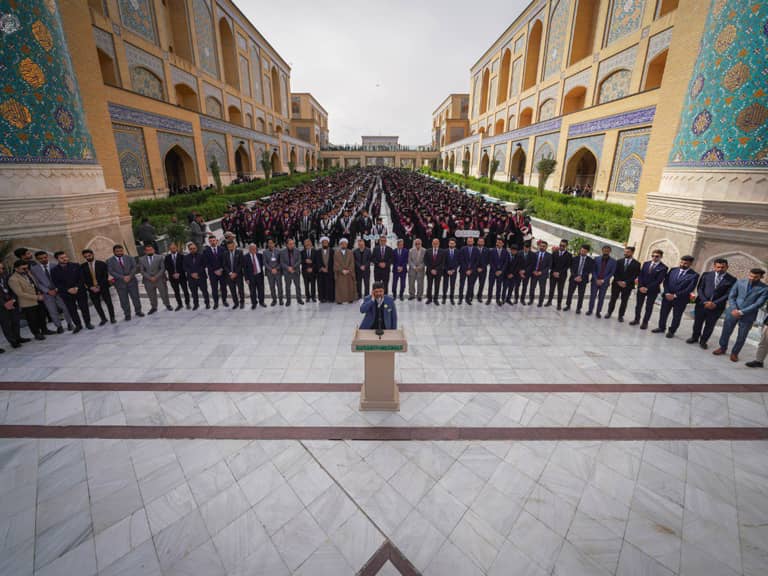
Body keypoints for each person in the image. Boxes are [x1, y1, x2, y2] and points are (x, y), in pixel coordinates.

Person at [713, 268, 768, 362]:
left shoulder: (764, 288)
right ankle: (722, 347)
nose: (752, 278)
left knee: (742, 336)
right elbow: (732, 296)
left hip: (748, 315)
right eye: (750, 275)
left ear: (761, 277)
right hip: (732, 311)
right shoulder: (740, 282)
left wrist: (742, 312)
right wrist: (734, 309)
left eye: (755, 277)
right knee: (726, 331)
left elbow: (758, 303)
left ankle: (735, 353)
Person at [686, 258, 736, 349]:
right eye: (718, 267)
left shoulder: (732, 279)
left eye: (722, 267)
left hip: (717, 307)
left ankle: (703, 341)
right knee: (698, 322)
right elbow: (700, 288)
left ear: (727, 267)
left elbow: (728, 294)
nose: (720, 269)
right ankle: (694, 337)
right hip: (702, 304)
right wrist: (705, 301)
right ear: (714, 267)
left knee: (710, 325)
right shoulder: (706, 275)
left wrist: (714, 303)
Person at [652, 255, 699, 338]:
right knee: (663, 313)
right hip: (667, 296)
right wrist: (666, 293)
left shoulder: (694, 275)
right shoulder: (673, 270)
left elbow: (689, 288)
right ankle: (661, 327)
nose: (682, 264)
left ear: (690, 264)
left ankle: (671, 331)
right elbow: (666, 282)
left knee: (676, 316)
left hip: (680, 299)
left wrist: (675, 295)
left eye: (685, 263)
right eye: (681, 262)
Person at [31, 250, 72, 333]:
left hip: (59, 291)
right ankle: (59, 326)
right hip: (47, 294)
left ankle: (70, 324)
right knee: (52, 311)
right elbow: (37, 282)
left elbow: (61, 279)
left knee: (65, 308)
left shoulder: (55, 265)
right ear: (37, 259)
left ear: (47, 257)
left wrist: (57, 288)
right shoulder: (34, 269)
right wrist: (47, 291)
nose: (44, 259)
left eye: (45, 257)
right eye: (41, 258)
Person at [51, 251, 93, 332]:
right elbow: (57, 283)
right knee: (72, 310)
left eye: (65, 257)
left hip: (79, 290)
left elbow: (81, 278)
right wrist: (68, 289)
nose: (65, 259)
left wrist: (76, 287)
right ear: (57, 259)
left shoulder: (76, 265)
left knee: (84, 307)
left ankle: (88, 323)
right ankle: (78, 325)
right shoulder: (54, 270)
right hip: (66, 293)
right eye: (62, 258)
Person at [8, 260, 47, 340]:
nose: (26, 270)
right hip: (28, 303)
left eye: (27, 268)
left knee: (42, 316)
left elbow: (34, 284)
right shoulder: (13, 279)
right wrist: (36, 297)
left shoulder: (28, 273)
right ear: (16, 269)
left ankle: (45, 330)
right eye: (23, 269)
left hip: (38, 299)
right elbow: (20, 293)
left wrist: (39, 292)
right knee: (32, 319)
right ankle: (36, 334)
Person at [630, 249, 667, 329]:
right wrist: (640, 286)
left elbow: (658, 280)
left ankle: (645, 322)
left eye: (657, 256)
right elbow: (641, 275)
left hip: (652, 290)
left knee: (649, 307)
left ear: (661, 257)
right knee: (638, 305)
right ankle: (636, 319)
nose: (654, 258)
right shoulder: (646, 264)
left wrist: (647, 288)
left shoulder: (663, 268)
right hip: (641, 288)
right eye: (653, 256)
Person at [107, 245, 143, 321]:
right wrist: (123, 277)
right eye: (117, 251)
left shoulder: (130, 258)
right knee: (123, 300)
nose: (119, 252)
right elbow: (111, 271)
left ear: (123, 250)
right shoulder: (109, 261)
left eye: (121, 251)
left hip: (132, 281)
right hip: (120, 283)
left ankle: (138, 311)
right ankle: (127, 314)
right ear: (114, 252)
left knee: (135, 297)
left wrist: (129, 276)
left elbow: (134, 267)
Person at [605, 246, 641, 322]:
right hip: (616, 284)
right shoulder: (619, 261)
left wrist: (625, 282)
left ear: (632, 253)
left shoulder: (637, 264)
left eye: (627, 252)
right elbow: (615, 272)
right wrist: (618, 281)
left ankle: (621, 316)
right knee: (613, 299)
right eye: (625, 252)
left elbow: (635, 275)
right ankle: (609, 312)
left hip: (628, 286)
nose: (625, 253)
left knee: (624, 301)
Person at [81, 249, 116, 325]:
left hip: (103, 287)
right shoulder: (82, 266)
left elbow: (105, 276)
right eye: (86, 257)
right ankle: (103, 319)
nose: (88, 257)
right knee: (97, 305)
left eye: (89, 256)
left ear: (93, 254)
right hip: (92, 289)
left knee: (109, 303)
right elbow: (83, 279)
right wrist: (91, 287)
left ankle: (112, 318)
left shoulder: (101, 264)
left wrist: (99, 286)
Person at [138, 244, 172, 314]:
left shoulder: (160, 257)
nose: (149, 251)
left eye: (151, 249)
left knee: (164, 293)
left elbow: (163, 268)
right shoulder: (141, 259)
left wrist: (156, 277)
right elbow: (142, 271)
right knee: (151, 295)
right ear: (145, 251)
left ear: (153, 250)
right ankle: (154, 307)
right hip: (148, 280)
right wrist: (150, 277)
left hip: (160, 279)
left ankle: (167, 304)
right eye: (147, 250)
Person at [0, 261, 26, 351]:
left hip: (12, 302)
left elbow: (13, 289)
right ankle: (12, 341)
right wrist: (4, 304)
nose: (1, 270)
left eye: (2, 268)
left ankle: (18, 337)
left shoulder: (6, 276)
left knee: (15, 321)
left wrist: (13, 300)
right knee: (6, 324)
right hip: (2, 306)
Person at [564, 244, 595, 313]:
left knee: (581, 294)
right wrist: (575, 276)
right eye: (581, 251)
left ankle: (578, 308)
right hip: (573, 279)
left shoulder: (590, 261)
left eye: (584, 251)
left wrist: (581, 277)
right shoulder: (575, 258)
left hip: (583, 280)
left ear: (587, 252)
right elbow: (572, 268)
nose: (582, 252)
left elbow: (589, 271)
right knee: (570, 293)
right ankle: (568, 305)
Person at [587, 246, 616, 317]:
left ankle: (598, 312)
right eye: (604, 250)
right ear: (602, 251)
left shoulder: (613, 261)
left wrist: (603, 280)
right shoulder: (596, 259)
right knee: (592, 297)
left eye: (607, 251)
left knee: (601, 298)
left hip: (604, 283)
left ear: (610, 251)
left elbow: (612, 273)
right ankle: (590, 310)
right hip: (595, 281)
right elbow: (593, 270)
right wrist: (596, 279)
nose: (606, 252)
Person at [204, 236, 229, 309]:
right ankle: (216, 303)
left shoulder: (222, 249)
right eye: (211, 241)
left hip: (222, 272)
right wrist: (215, 271)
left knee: (223, 288)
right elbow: (207, 263)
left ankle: (224, 300)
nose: (212, 242)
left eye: (214, 240)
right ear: (209, 242)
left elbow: (225, 261)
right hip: (213, 273)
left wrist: (221, 269)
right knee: (214, 289)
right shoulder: (206, 251)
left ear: (216, 241)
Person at [183, 242, 210, 310]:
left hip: (201, 277)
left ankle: (207, 304)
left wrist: (197, 273)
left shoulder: (201, 256)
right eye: (191, 249)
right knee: (194, 293)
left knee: (204, 291)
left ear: (196, 248)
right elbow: (185, 267)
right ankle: (196, 304)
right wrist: (192, 274)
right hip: (191, 278)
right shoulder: (186, 257)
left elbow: (204, 265)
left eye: (194, 248)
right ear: (189, 249)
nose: (193, 249)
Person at [546, 240, 571, 310]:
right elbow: (551, 263)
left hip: (562, 275)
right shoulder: (554, 253)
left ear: (566, 246)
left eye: (563, 246)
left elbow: (567, 266)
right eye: (560, 245)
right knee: (551, 289)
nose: (561, 247)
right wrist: (553, 272)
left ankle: (559, 304)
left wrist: (559, 273)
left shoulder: (569, 255)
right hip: (553, 274)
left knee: (560, 290)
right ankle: (549, 301)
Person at [164, 243, 190, 311]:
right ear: (170, 249)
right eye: (171, 248)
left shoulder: (182, 256)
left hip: (182, 277)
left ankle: (187, 303)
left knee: (185, 291)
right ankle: (180, 304)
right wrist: (173, 273)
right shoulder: (167, 257)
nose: (173, 249)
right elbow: (167, 267)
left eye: (174, 248)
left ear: (177, 248)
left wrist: (179, 273)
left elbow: (184, 266)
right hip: (172, 278)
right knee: (176, 292)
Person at [528, 240, 552, 307]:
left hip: (542, 275)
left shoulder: (549, 256)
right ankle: (531, 300)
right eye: (541, 246)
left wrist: (541, 272)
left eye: (544, 246)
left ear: (546, 247)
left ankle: (540, 302)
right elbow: (531, 264)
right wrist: (533, 271)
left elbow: (549, 266)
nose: (542, 247)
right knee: (532, 288)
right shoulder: (535, 254)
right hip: (534, 274)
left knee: (542, 289)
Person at [280, 238, 304, 306]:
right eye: (290, 244)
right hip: (287, 272)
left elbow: (299, 260)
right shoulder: (282, 252)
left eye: (293, 244)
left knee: (298, 286)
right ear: (287, 245)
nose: (292, 245)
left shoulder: (297, 250)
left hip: (296, 271)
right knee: (287, 287)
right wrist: (288, 268)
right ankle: (288, 300)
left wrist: (293, 267)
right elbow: (282, 262)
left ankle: (299, 299)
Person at [222, 239, 245, 309]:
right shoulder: (225, 253)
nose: (230, 248)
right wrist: (230, 273)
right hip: (229, 276)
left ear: (234, 245)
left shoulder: (240, 252)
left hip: (238, 275)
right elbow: (224, 265)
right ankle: (236, 303)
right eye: (229, 247)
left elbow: (241, 264)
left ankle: (242, 302)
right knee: (232, 290)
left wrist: (235, 273)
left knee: (240, 289)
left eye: (232, 246)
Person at [487, 238, 509, 306]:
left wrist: (501, 271)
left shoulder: (505, 252)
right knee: (490, 286)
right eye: (497, 242)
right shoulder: (492, 251)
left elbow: (506, 262)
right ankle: (489, 299)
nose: (498, 244)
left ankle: (497, 299)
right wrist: (495, 270)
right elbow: (490, 261)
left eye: (500, 243)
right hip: (493, 272)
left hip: (501, 273)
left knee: (499, 286)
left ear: (503, 244)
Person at [333, 238, 356, 304]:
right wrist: (341, 270)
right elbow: (336, 263)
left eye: (345, 244)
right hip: (340, 273)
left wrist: (348, 270)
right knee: (340, 287)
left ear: (347, 244)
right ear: (340, 244)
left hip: (349, 273)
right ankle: (340, 300)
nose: (344, 245)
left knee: (349, 286)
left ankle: (350, 299)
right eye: (342, 244)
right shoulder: (336, 253)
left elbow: (352, 262)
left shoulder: (350, 252)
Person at [458, 237, 479, 305]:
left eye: (471, 241)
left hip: (472, 271)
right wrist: (466, 269)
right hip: (463, 270)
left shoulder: (476, 250)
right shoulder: (462, 249)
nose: (470, 242)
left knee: (470, 285)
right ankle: (460, 299)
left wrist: (471, 270)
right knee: (462, 285)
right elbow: (461, 260)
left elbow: (477, 261)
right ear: (467, 242)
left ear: (473, 242)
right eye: (468, 241)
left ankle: (467, 299)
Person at [263, 238, 284, 306]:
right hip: (270, 272)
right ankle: (274, 300)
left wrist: (276, 269)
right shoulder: (265, 252)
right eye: (269, 243)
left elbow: (281, 262)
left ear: (274, 243)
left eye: (272, 243)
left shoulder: (279, 251)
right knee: (272, 287)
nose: (270, 244)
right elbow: (265, 263)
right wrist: (271, 269)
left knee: (279, 286)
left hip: (278, 272)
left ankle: (281, 300)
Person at [424, 238, 445, 305]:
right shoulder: (428, 251)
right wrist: (431, 269)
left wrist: (436, 269)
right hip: (429, 271)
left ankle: (436, 299)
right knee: (429, 286)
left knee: (437, 286)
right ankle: (429, 299)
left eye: (436, 243)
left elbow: (442, 263)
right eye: (434, 243)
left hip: (438, 272)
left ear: (439, 244)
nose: (435, 244)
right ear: (432, 243)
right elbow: (425, 261)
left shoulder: (442, 251)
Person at [314, 236, 334, 303]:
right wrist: (322, 268)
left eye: (326, 242)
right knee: (321, 285)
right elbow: (317, 261)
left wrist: (328, 268)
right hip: (321, 272)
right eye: (323, 242)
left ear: (328, 243)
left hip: (330, 271)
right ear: (321, 243)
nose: (325, 243)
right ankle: (322, 298)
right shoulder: (318, 252)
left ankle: (330, 298)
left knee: (330, 285)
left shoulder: (332, 251)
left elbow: (333, 261)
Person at [441, 238, 459, 305]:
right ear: (448, 244)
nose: (451, 244)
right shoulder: (444, 251)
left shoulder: (458, 251)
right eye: (450, 243)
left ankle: (451, 298)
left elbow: (458, 261)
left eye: (453, 243)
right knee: (445, 285)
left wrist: (454, 269)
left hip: (454, 271)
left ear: (455, 244)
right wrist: (447, 270)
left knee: (452, 285)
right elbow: (443, 262)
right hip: (446, 271)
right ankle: (444, 298)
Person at [407, 237, 425, 301]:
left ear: (421, 243)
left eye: (419, 243)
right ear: (414, 244)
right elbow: (409, 260)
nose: (417, 245)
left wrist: (419, 267)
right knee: (411, 283)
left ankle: (419, 295)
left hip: (420, 270)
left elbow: (424, 261)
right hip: (412, 269)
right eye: (416, 243)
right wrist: (414, 267)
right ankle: (412, 295)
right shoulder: (411, 250)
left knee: (420, 283)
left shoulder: (424, 251)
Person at [301, 238, 317, 302]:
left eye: (308, 242)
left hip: (313, 271)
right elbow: (300, 261)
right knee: (306, 285)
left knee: (313, 285)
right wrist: (305, 261)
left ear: (311, 243)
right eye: (306, 243)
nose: (307, 244)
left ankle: (313, 297)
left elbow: (316, 262)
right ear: (304, 244)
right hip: (305, 271)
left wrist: (312, 268)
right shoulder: (302, 252)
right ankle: (307, 297)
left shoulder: (315, 251)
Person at [474, 237, 489, 303]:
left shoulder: (487, 250)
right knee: (472, 283)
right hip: (474, 269)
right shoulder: (474, 249)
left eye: (482, 242)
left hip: (483, 270)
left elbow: (488, 260)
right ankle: (470, 295)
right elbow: (472, 260)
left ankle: (479, 296)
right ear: (477, 242)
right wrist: (476, 267)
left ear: (484, 243)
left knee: (482, 284)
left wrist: (482, 268)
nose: (480, 243)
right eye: (479, 241)